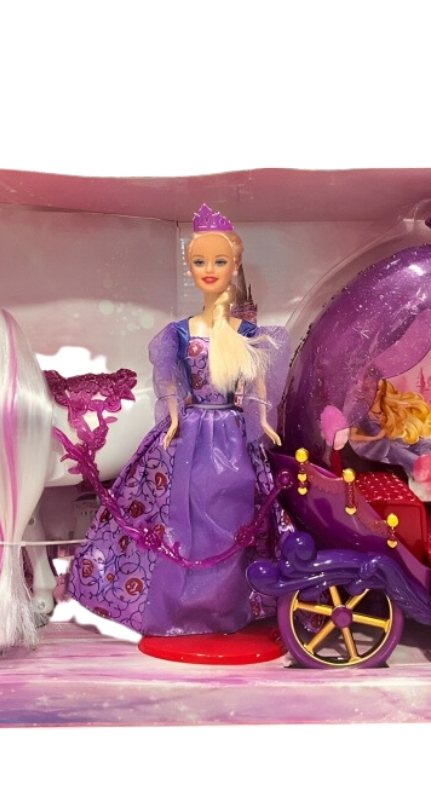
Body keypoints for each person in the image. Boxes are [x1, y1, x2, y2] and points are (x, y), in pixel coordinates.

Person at [68, 205, 288, 636]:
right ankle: (178, 608)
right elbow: (169, 385)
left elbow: (257, 388)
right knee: (180, 517)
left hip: (231, 437)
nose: (209, 270)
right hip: (189, 434)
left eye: (219, 261)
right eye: (200, 262)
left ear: (235, 266)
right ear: (190, 269)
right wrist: (172, 420)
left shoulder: (247, 334)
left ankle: (226, 606)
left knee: (231, 515)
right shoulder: (179, 333)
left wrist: (262, 422)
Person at [346, 378, 431, 475]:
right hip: (372, 449)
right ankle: (428, 470)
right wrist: (375, 437)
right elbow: (353, 436)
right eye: (368, 389)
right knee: (398, 451)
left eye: (377, 389)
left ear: (382, 392)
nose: (373, 393)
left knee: (413, 442)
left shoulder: (385, 408)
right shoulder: (359, 411)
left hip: (390, 443)